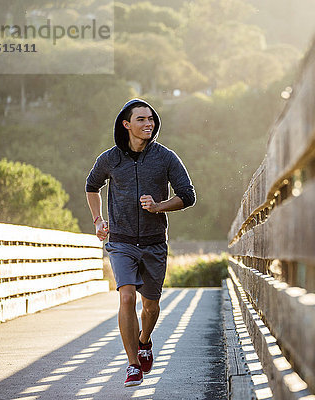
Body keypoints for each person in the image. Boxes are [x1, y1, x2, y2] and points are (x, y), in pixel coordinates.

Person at [85, 99, 196, 387]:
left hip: (154, 242)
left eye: (152, 120)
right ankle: (133, 364)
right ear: (127, 124)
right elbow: (92, 186)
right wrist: (98, 220)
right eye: (142, 119)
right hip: (120, 240)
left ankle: (144, 340)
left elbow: (188, 195)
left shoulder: (166, 157)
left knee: (151, 306)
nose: (149, 124)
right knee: (126, 297)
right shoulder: (110, 159)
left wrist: (159, 207)